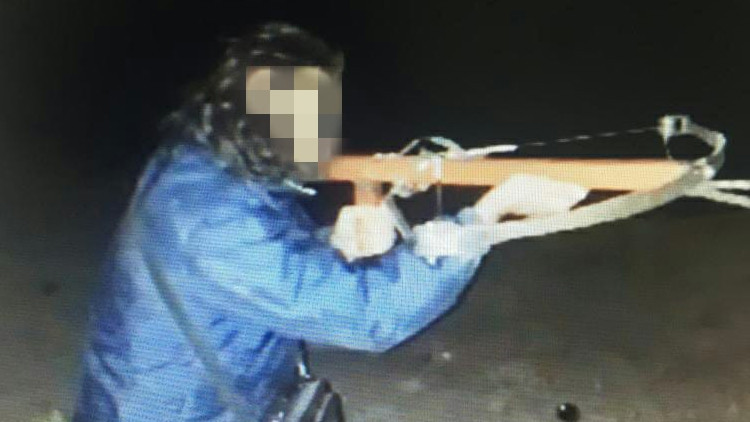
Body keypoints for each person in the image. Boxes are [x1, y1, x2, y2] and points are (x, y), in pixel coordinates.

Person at [72, 22, 585, 422]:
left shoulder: (204, 165)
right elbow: (369, 317)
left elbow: (259, 269)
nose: (328, 130)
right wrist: (488, 214)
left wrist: (332, 243)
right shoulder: (209, 217)